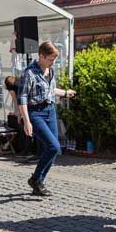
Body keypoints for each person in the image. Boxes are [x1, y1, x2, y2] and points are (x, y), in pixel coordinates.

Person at [18, 41, 76, 197]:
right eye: (50, 59)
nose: (53, 62)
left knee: (54, 149)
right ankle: (36, 179)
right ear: (41, 56)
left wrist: (65, 93)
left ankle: (38, 182)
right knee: (53, 146)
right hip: (35, 113)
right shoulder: (29, 73)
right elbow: (22, 98)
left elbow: (50, 89)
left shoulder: (50, 71)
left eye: (55, 59)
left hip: (50, 110)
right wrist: (27, 121)